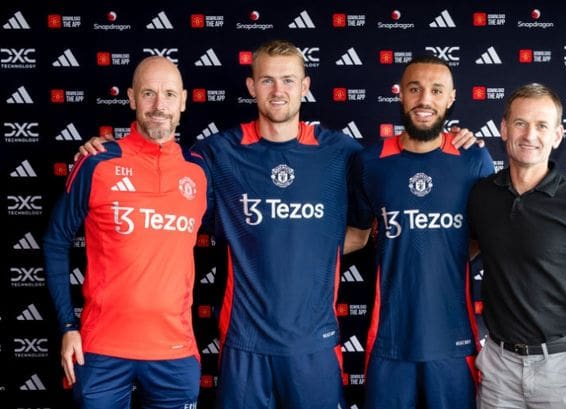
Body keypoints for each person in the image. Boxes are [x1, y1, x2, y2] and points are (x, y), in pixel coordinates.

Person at [77, 41, 479, 408]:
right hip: (244, 346)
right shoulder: (218, 153)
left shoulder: (343, 153)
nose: (277, 91)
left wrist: (455, 142)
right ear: (251, 87)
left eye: (288, 80)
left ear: (304, 86)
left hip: (314, 345)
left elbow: (387, 202)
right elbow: (157, 163)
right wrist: (105, 150)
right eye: (267, 80)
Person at [43, 56, 210, 408]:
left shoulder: (200, 171)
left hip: (175, 351)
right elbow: (56, 240)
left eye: (168, 94)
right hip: (102, 349)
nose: (159, 105)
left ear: (183, 100)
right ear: (132, 98)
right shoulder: (98, 161)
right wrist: (66, 326)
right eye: (148, 93)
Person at [345, 55, 494, 408]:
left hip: (453, 338)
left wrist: (443, 250)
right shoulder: (369, 163)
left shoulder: (473, 159)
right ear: (401, 95)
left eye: (435, 90)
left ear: (450, 98)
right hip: (390, 337)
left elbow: (487, 235)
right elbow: (358, 233)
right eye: (415, 89)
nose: (424, 99)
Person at [467, 83, 566, 409]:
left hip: (563, 368)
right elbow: (461, 250)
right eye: (520, 123)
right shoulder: (481, 195)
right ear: (503, 128)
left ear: (557, 135)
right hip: (500, 367)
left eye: (542, 126)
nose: (530, 135)